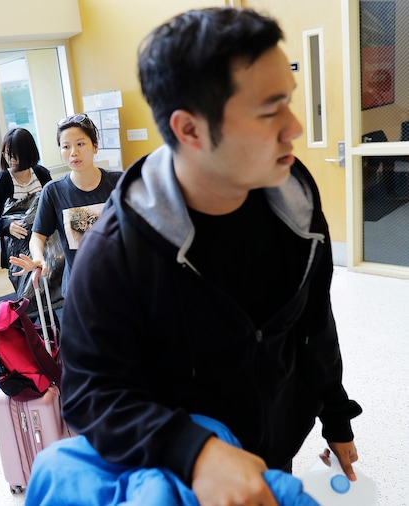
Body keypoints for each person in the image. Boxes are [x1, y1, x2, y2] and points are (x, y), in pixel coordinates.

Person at [26, 7, 362, 506]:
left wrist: (335, 416)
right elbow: (90, 394)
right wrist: (196, 452)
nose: (293, 127)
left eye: (288, 102)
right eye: (270, 111)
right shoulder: (117, 252)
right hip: (179, 471)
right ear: (190, 130)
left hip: (274, 444)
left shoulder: (295, 197)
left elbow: (312, 321)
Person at [9, 114, 122, 296]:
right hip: (80, 288)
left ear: (95, 146)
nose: (73, 152)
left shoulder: (118, 183)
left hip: (120, 282)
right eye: (66, 146)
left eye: (80, 144)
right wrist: (38, 258)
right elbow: (38, 236)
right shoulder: (53, 191)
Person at [0, 128, 52, 292]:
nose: (10, 159)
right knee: (26, 294)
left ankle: (50, 319)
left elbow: (54, 204)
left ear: (27, 153)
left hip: (45, 243)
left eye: (15, 154)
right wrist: (7, 225)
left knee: (49, 289)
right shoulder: (2, 181)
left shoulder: (41, 174)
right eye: (7, 153)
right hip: (17, 248)